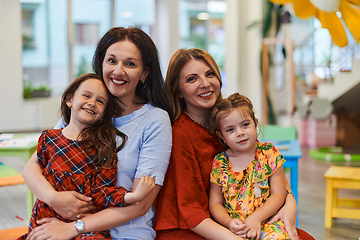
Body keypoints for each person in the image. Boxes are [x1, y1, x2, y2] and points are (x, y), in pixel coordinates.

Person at [22, 27, 172, 240]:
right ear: (101, 63)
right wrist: (54, 199)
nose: (118, 71)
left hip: (125, 233)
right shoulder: (85, 111)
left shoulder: (155, 120)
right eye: (111, 60)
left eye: (130, 64)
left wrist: (74, 227)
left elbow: (141, 203)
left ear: (144, 73)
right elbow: (33, 166)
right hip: (60, 223)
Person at [154, 48, 298, 240]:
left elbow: (262, 162)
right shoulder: (179, 134)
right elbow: (191, 212)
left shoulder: (227, 120)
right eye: (192, 79)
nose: (205, 84)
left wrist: (290, 203)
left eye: (210, 74)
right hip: (189, 228)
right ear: (178, 91)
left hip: (240, 221)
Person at [20, 73, 155, 239]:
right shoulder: (49, 139)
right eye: (86, 95)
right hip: (45, 220)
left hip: (84, 227)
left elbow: (102, 192)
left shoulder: (103, 149)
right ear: (69, 99)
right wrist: (53, 197)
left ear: (104, 113)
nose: (92, 103)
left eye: (100, 101)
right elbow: (33, 171)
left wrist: (133, 196)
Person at [209, 93, 289, 240]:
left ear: (255, 123)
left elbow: (279, 194)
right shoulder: (220, 162)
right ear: (221, 136)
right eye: (230, 130)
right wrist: (229, 222)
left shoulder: (268, 153)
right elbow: (215, 203)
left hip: (267, 222)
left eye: (245, 125)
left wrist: (257, 218)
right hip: (234, 227)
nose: (240, 133)